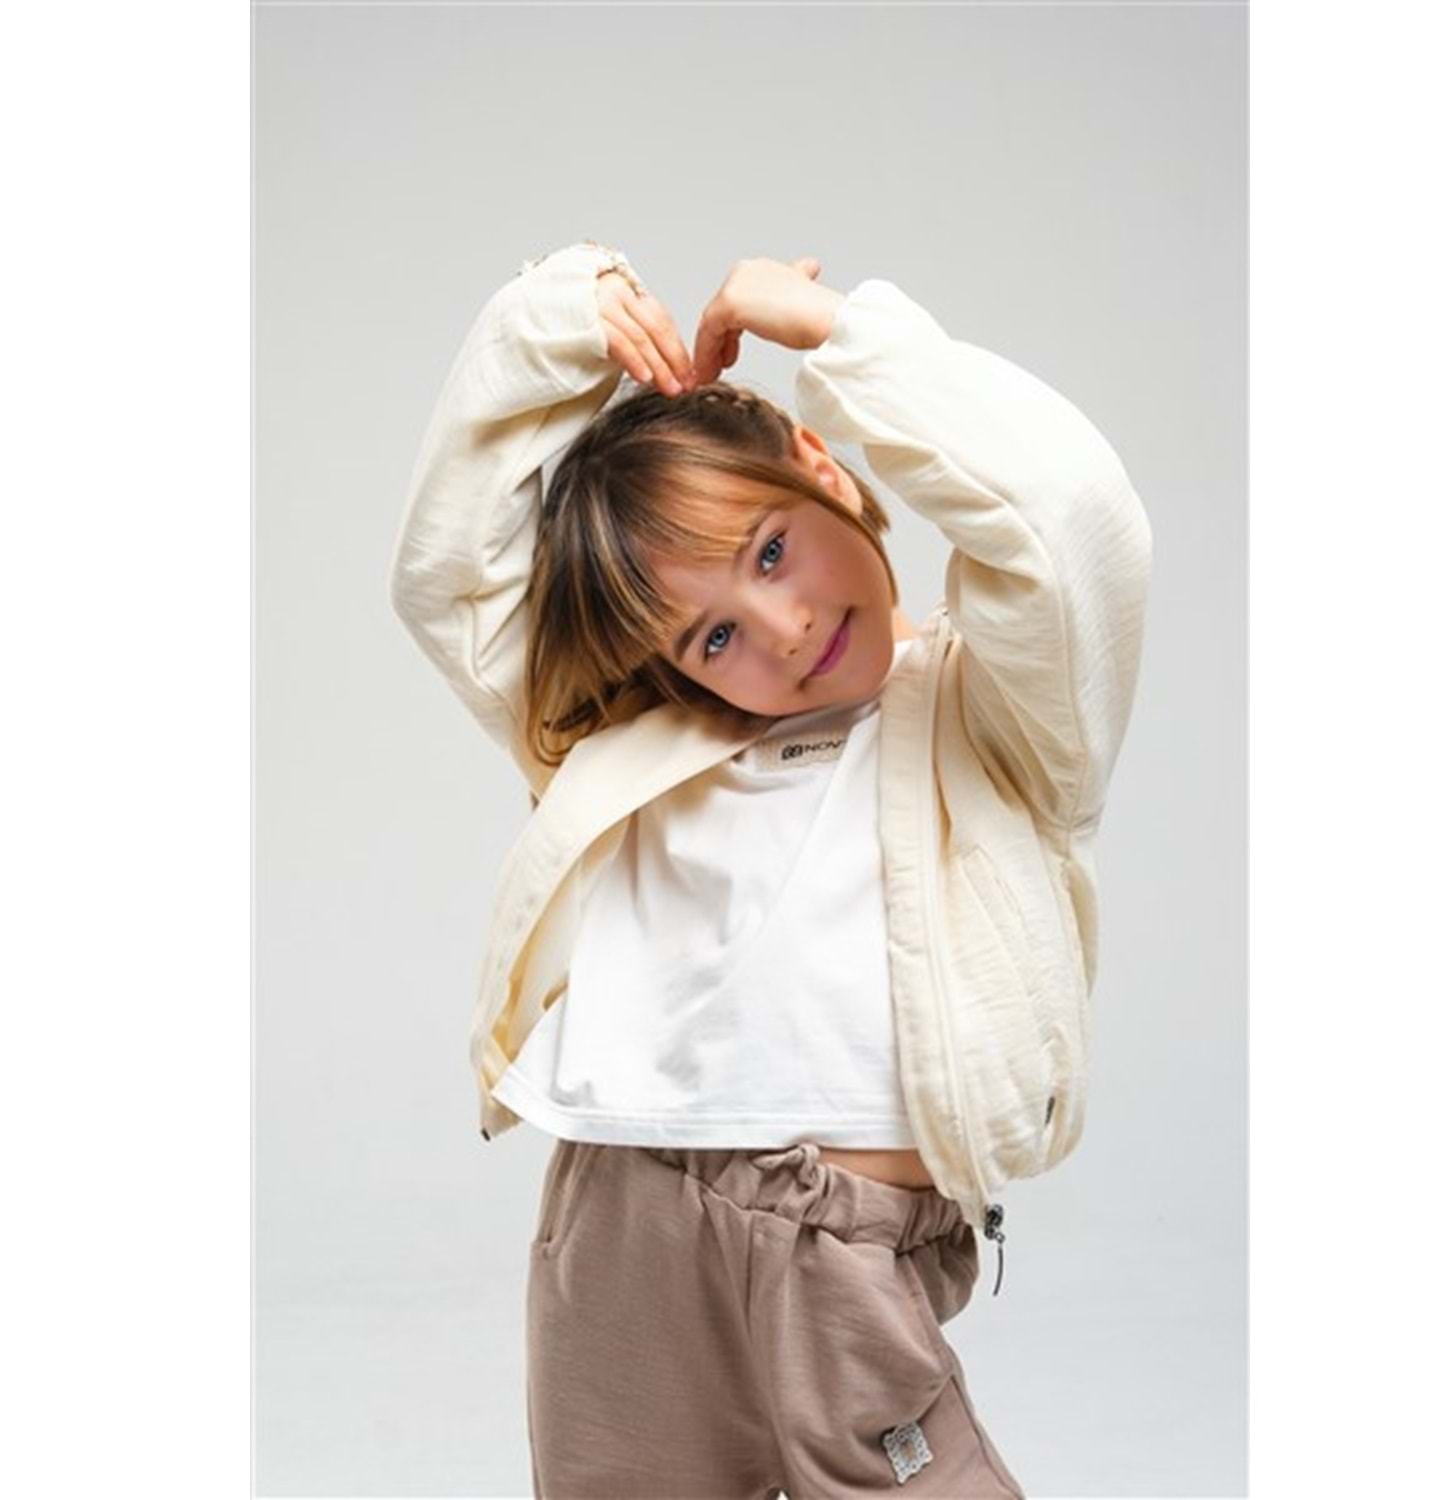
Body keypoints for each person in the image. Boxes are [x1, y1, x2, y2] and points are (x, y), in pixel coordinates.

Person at [389, 239, 1153, 1498]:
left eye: (770, 552)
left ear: (820, 466)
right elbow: (451, 585)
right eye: (713, 637)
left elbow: (1070, 519)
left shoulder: (997, 719)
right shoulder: (631, 751)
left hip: (842, 1244)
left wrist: (841, 338)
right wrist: (552, 328)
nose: (783, 630)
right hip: (626, 1221)